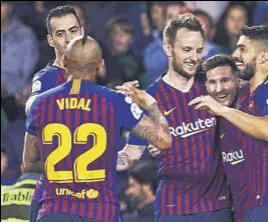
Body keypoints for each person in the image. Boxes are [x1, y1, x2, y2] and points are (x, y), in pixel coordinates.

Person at [23, 34, 172, 222]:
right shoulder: (115, 101)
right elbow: (164, 140)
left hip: (54, 211)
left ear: (65, 61)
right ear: (100, 65)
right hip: (100, 213)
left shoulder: (40, 103)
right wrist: (149, 104)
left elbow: (29, 162)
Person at [117, 13, 233, 222]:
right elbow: (131, 155)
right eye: (186, 50)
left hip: (217, 207)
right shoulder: (150, 99)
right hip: (174, 210)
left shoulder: (213, 86)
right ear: (168, 48)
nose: (194, 58)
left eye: (199, 50)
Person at [190, 25, 268, 222]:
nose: (235, 54)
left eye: (243, 49)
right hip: (257, 201)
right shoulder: (247, 94)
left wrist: (222, 110)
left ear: (263, 57)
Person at [23, 5, 84, 221]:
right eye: (61, 33)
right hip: (56, 195)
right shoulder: (47, 77)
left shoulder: (91, 76)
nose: (69, 38)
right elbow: (33, 103)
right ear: (51, 41)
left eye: (73, 30)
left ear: (82, 32)